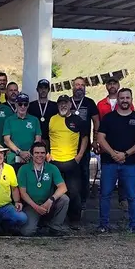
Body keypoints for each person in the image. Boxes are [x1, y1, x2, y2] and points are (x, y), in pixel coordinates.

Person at [97, 88, 135, 232]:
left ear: (131, 99)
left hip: (130, 164)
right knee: (105, 195)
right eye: (122, 98)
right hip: (109, 163)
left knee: (132, 196)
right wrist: (113, 154)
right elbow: (100, 138)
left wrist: (125, 154)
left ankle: (134, 226)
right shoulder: (108, 118)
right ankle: (103, 225)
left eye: (127, 98)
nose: (124, 100)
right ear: (117, 100)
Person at [49, 95, 90, 223]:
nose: (63, 105)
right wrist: (46, 155)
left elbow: (85, 138)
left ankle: (74, 220)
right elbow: (45, 138)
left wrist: (79, 156)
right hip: (54, 162)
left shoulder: (77, 120)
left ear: (70, 105)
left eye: (65, 103)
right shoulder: (52, 119)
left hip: (71, 162)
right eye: (60, 103)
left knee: (74, 192)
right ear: (57, 105)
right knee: (54, 193)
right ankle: (52, 220)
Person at [17, 141, 70, 236]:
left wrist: (50, 200)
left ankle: (55, 227)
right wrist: (36, 207)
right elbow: (23, 193)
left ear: (46, 154)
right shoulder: (24, 169)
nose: (39, 155)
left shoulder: (52, 168)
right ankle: (40, 224)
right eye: (36, 153)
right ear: (32, 154)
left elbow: (63, 187)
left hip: (48, 204)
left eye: (42, 153)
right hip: (31, 205)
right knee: (27, 232)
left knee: (64, 199)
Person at [70, 76, 100, 205]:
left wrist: (95, 140)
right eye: (77, 85)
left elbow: (96, 121)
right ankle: (71, 197)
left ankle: (83, 199)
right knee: (70, 172)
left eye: (82, 85)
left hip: (84, 143)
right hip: (68, 144)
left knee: (84, 171)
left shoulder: (89, 102)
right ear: (73, 87)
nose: (79, 87)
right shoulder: (67, 101)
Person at [3, 93, 42, 169]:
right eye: (20, 104)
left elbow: (38, 139)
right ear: (16, 104)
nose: (23, 107)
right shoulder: (9, 120)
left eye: (25, 104)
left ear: (28, 105)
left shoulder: (34, 120)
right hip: (14, 158)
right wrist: (20, 152)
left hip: (31, 157)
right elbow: (6, 140)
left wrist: (29, 153)